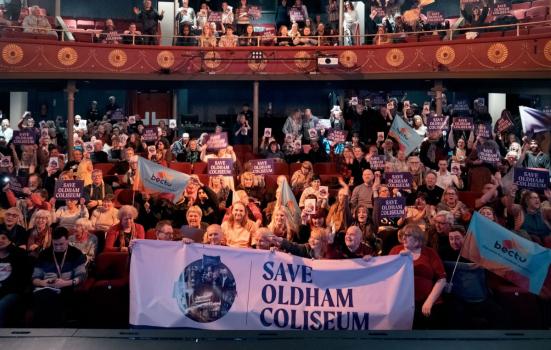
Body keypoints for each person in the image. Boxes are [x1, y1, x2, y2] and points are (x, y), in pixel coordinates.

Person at [390, 224, 447, 329]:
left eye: (407, 235)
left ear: (417, 239)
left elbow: (442, 279)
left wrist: (429, 301)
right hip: (402, 303)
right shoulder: (396, 250)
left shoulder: (430, 252)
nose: (403, 238)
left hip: (427, 302)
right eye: (403, 235)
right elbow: (386, 272)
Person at [31, 226, 86, 327]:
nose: (58, 247)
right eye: (55, 244)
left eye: (61, 244)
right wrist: (43, 282)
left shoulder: (76, 254)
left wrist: (65, 283)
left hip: (67, 287)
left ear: (67, 240)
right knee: (43, 296)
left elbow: (81, 276)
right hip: (47, 287)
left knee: (51, 300)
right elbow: (35, 278)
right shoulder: (44, 254)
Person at [0, 231, 30, 327]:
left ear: (10, 241)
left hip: (12, 292)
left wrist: (10, 246)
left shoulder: (17, 255)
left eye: (4, 238)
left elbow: (22, 255)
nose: (0, 241)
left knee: (2, 304)